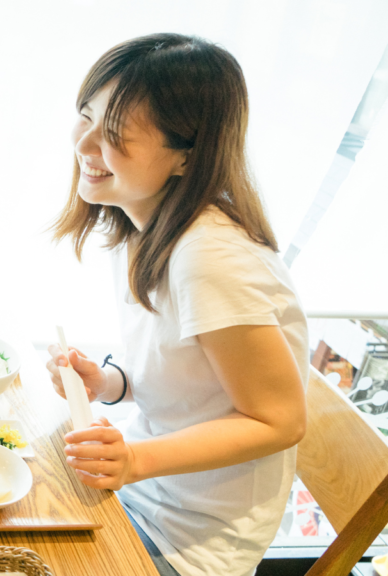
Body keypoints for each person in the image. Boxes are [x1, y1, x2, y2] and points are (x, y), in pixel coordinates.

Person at [47, 34, 308, 576]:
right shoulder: (141, 224)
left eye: (115, 133)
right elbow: (190, 375)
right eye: (85, 115)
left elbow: (280, 421)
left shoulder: (209, 255)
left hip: (188, 543)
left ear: (187, 157)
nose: (85, 144)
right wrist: (108, 383)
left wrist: (136, 460)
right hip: (148, 499)